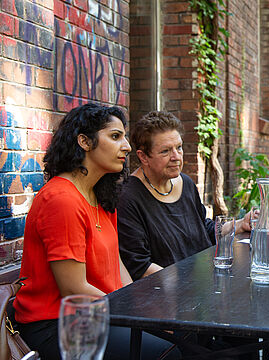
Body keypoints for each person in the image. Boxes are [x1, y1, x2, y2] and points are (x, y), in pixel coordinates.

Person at [13, 104, 180, 359]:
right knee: (169, 352)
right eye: (115, 136)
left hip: (103, 312)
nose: (125, 146)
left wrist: (141, 310)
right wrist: (134, 318)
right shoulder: (62, 199)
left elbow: (117, 265)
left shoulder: (101, 195)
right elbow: (74, 289)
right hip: (59, 324)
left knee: (184, 336)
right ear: (84, 142)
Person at [117, 110, 255, 280]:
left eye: (179, 148)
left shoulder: (186, 183)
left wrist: (241, 224)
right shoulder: (128, 197)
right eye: (165, 151)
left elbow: (203, 230)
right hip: (165, 296)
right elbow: (138, 265)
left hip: (203, 285)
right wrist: (185, 287)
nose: (176, 157)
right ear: (143, 157)